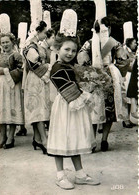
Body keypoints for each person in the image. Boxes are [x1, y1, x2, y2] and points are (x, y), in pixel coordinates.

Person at [47, 32, 100, 190]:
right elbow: (70, 90)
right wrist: (86, 91)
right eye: (66, 49)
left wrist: (89, 83)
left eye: (73, 50)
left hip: (74, 105)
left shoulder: (70, 66)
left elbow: (76, 84)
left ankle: (80, 174)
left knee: (74, 137)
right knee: (62, 138)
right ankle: (60, 175)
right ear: (57, 48)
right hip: (65, 105)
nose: (70, 53)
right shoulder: (57, 68)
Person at [77, 17, 129, 152]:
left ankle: (92, 140)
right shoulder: (115, 43)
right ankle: (104, 139)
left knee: (93, 108)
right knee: (109, 109)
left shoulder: (89, 43)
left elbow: (81, 59)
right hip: (110, 75)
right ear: (109, 28)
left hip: (94, 76)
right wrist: (118, 71)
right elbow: (123, 60)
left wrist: (89, 71)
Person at [23, 21, 51, 154]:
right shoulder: (30, 45)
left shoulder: (36, 45)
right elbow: (35, 64)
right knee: (38, 110)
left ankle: (37, 138)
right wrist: (47, 70)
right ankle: (43, 141)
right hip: (36, 79)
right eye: (45, 32)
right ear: (38, 31)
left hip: (40, 79)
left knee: (40, 109)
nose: (46, 35)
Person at [0, 33, 24, 149]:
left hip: (13, 85)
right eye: (2, 42)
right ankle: (2, 136)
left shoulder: (17, 55)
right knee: (2, 110)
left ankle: (10, 137)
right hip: (1, 86)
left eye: (7, 42)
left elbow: (21, 70)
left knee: (12, 108)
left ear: (12, 42)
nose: (5, 44)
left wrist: (5, 71)